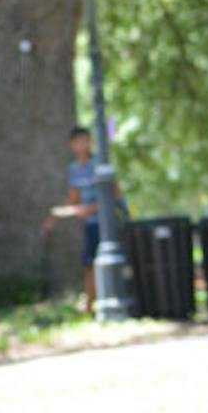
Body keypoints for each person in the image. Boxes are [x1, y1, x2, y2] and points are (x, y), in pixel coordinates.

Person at [41, 125, 126, 316]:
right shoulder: (74, 169)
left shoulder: (99, 164)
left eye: (86, 141)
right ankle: (90, 309)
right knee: (89, 264)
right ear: (72, 145)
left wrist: (90, 208)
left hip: (107, 222)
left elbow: (115, 196)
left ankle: (113, 302)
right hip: (91, 223)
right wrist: (53, 218)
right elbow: (74, 197)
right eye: (78, 142)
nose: (83, 145)